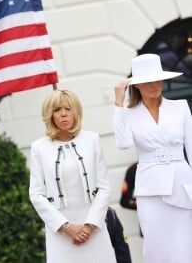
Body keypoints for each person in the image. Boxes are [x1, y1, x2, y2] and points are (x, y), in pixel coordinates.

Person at [113, 53, 192, 263]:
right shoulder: (128, 114)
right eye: (147, 81)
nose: (155, 85)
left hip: (182, 186)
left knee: (185, 247)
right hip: (150, 190)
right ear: (137, 85)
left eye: (158, 79)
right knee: (156, 249)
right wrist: (118, 102)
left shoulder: (180, 107)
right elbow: (122, 143)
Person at [29, 89, 116, 263]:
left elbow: (104, 187)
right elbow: (36, 194)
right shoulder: (39, 147)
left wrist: (90, 226)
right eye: (57, 110)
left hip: (95, 230)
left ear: (76, 111)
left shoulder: (92, 140)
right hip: (60, 235)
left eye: (68, 109)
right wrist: (66, 227)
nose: (63, 115)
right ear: (49, 115)